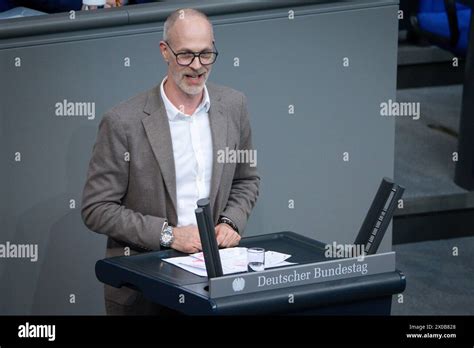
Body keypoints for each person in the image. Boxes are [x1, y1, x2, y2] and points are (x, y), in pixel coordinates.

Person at [81, 8, 260, 315]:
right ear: (164, 51)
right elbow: (96, 209)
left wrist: (231, 221)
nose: (197, 66)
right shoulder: (122, 121)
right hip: (145, 290)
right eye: (186, 55)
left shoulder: (233, 105)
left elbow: (246, 179)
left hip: (215, 284)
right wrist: (169, 235)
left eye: (206, 54)